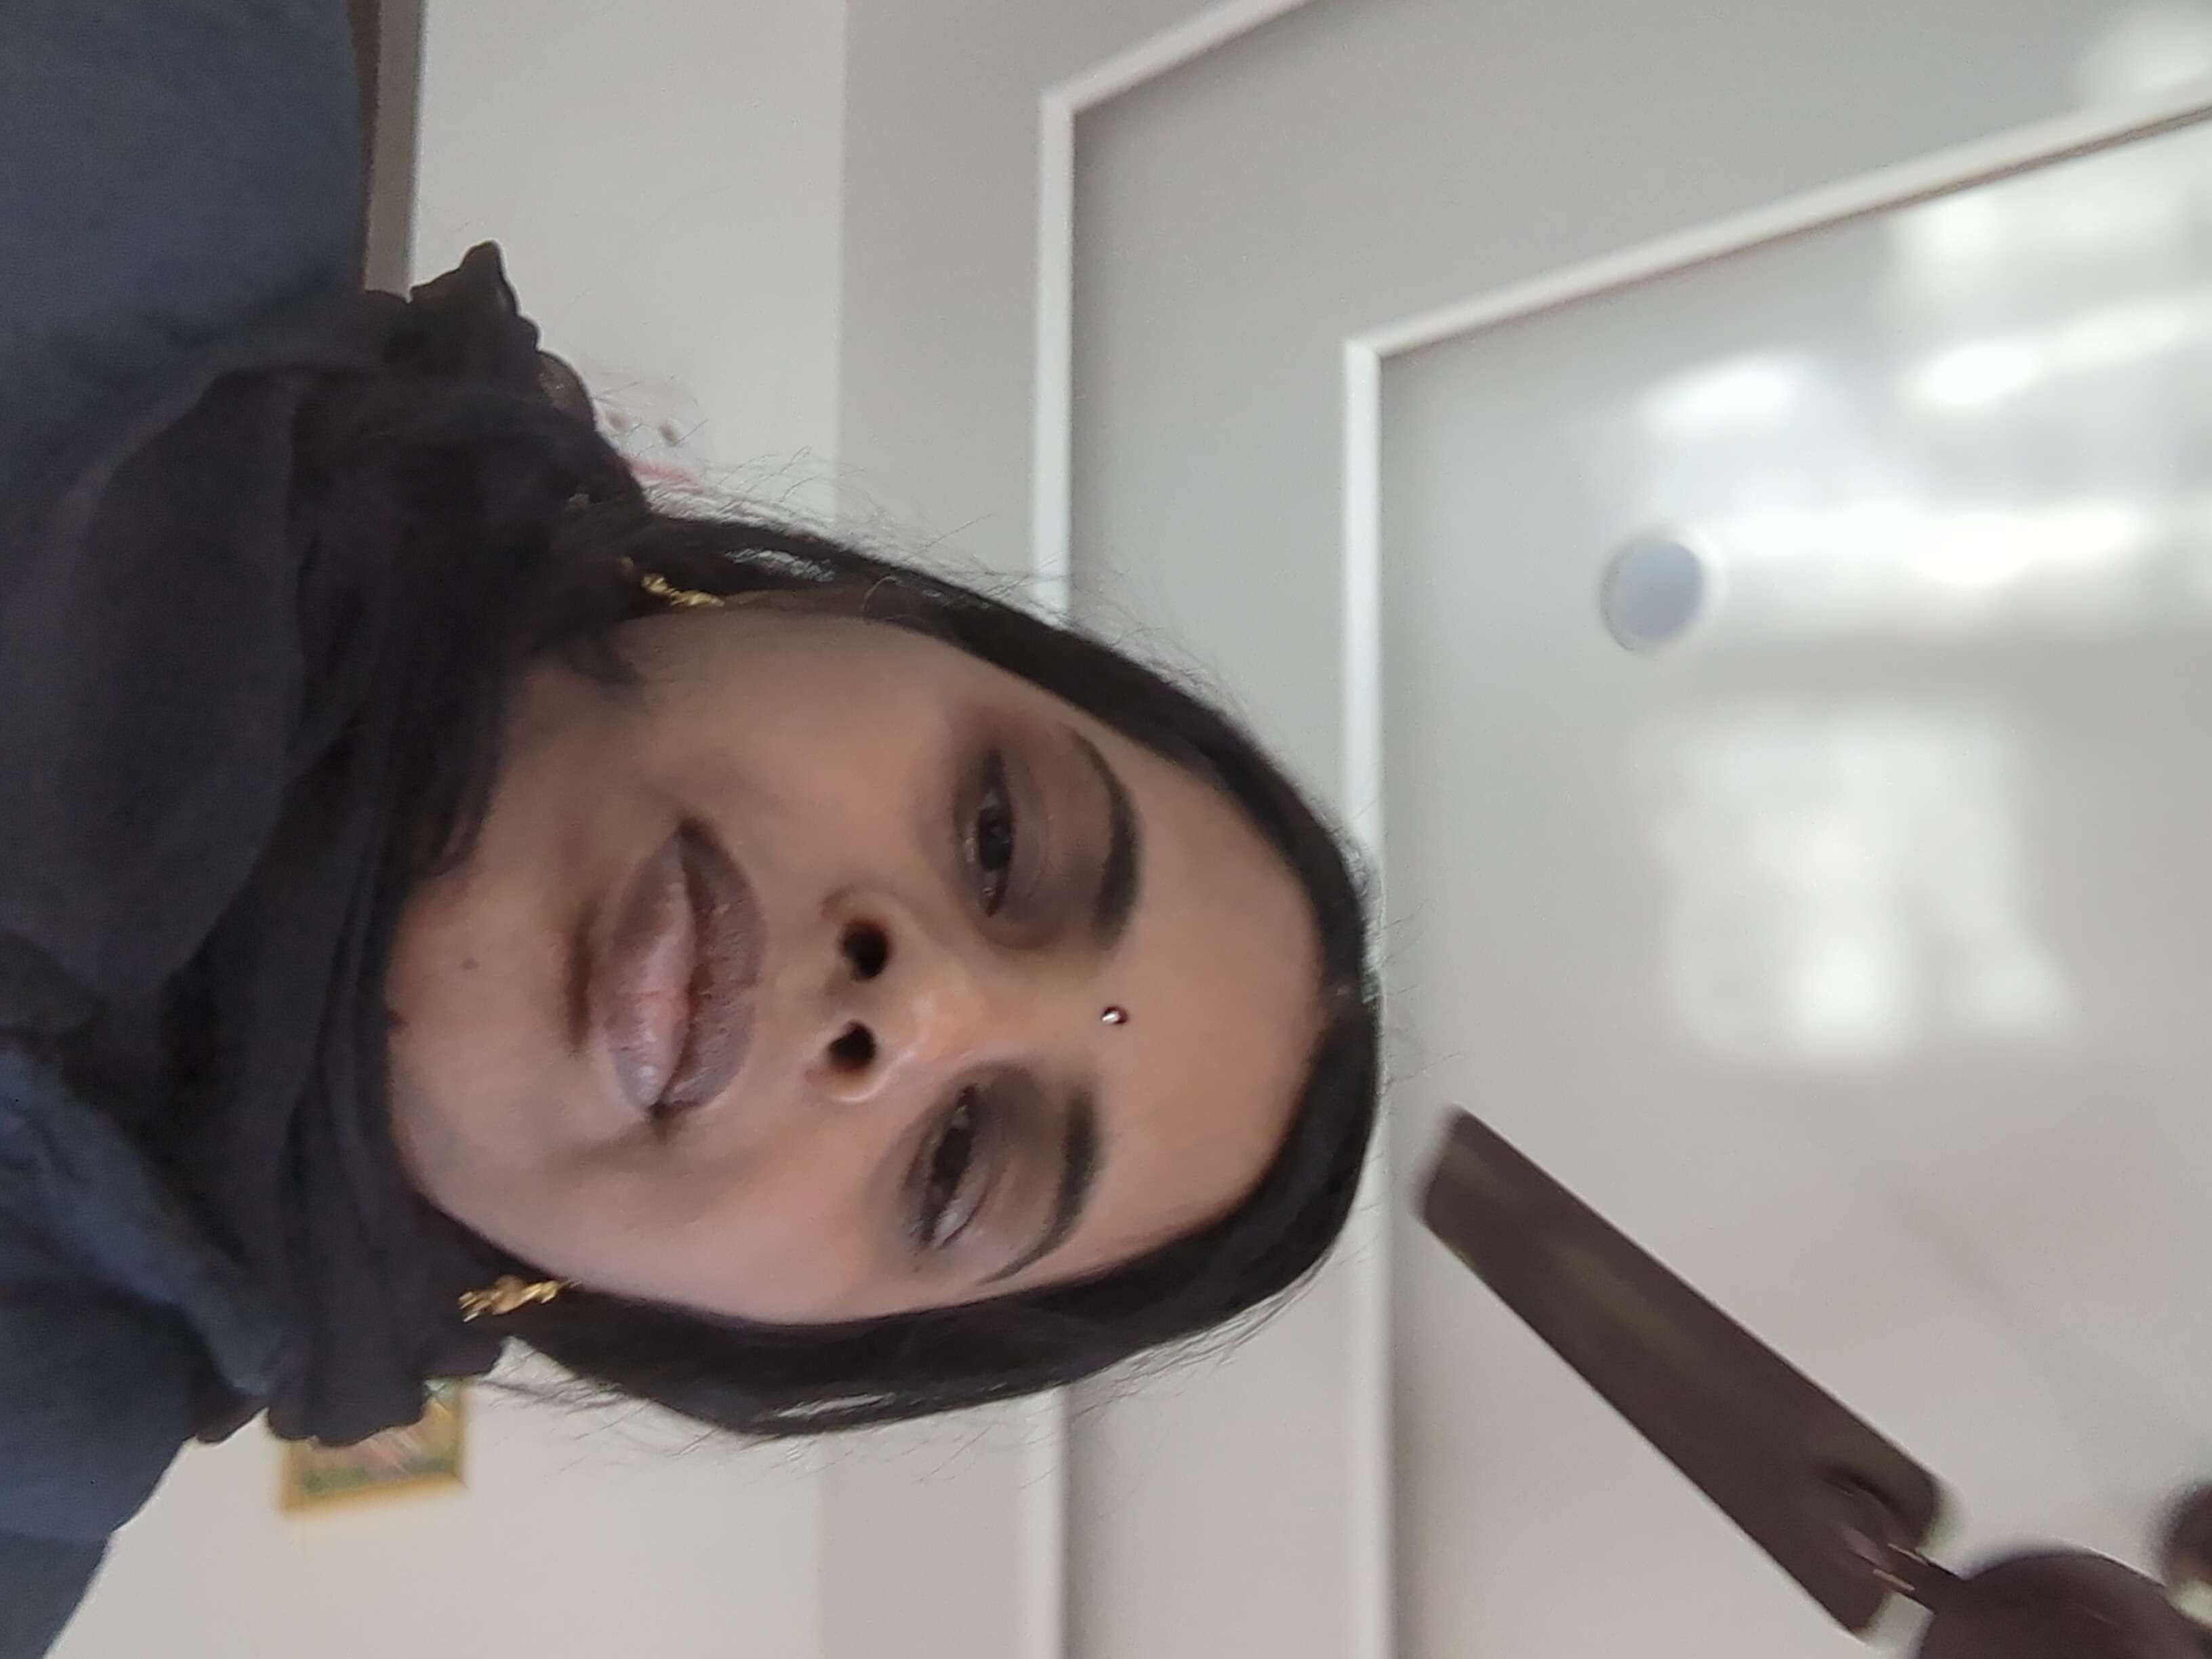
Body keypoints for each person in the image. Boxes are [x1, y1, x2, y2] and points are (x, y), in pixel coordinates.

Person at [0, 3, 1378, 1653]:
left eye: (959, 1165)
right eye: (1002, 841)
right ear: (830, 614)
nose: (916, 1007)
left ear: (727, 1328)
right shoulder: (177, 86)